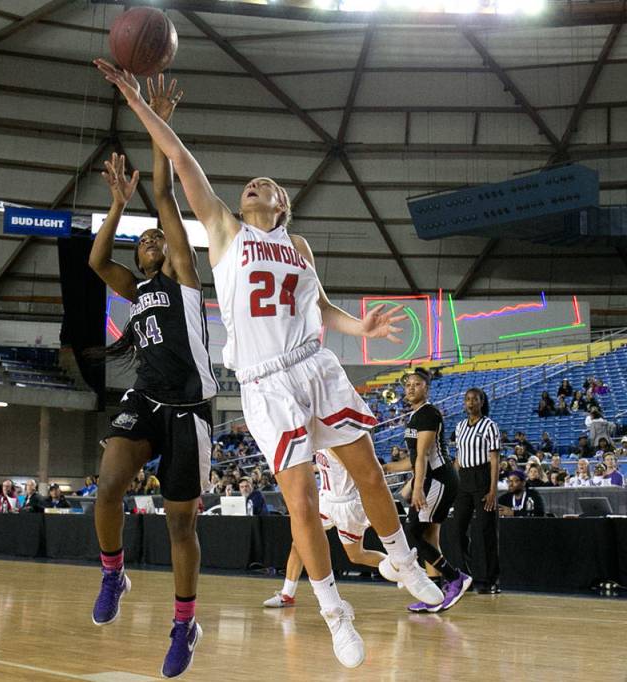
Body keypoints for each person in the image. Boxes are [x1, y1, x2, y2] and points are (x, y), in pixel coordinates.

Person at [94, 61, 442, 669]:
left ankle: (405, 564)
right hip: (264, 382)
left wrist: (359, 327)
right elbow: (177, 160)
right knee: (303, 504)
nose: (255, 184)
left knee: (367, 473)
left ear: (282, 208)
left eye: (268, 185)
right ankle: (335, 613)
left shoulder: (298, 246)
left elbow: (321, 306)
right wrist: (134, 100)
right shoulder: (225, 230)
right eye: (250, 182)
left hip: (314, 364)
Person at [87, 77, 217, 678]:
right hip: (145, 398)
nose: (150, 239)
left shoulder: (185, 275)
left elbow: (165, 195)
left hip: (189, 408)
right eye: (142, 241)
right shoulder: (133, 287)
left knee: (180, 524)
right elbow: (95, 260)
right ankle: (114, 572)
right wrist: (116, 205)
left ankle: (183, 623)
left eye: (155, 236)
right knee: (109, 483)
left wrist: (157, 125)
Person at [264, 449, 393, 608]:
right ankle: (287, 595)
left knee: (356, 555)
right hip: (326, 501)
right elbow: (326, 464)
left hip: (347, 504)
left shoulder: (338, 442)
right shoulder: (319, 439)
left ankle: (401, 567)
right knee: (299, 543)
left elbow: (356, 468)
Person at [398, 368, 471, 613]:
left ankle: (455, 578)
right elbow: (412, 458)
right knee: (429, 537)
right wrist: (386, 465)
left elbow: (422, 456)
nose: (410, 388)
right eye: (408, 384)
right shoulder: (415, 416)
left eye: (416, 384)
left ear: (426, 388)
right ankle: (434, 595)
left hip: (438, 480)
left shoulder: (428, 414)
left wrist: (416, 488)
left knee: (413, 532)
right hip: (431, 479)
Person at [451, 388, 501, 595]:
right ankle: (466, 575)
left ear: (482, 402)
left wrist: (492, 490)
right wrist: (453, 483)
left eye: (475, 399)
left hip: (482, 478)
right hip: (463, 478)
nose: (471, 403)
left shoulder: (490, 426)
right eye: (467, 399)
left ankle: (490, 579)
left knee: (485, 531)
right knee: (457, 529)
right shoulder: (460, 426)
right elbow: (458, 457)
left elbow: (495, 460)